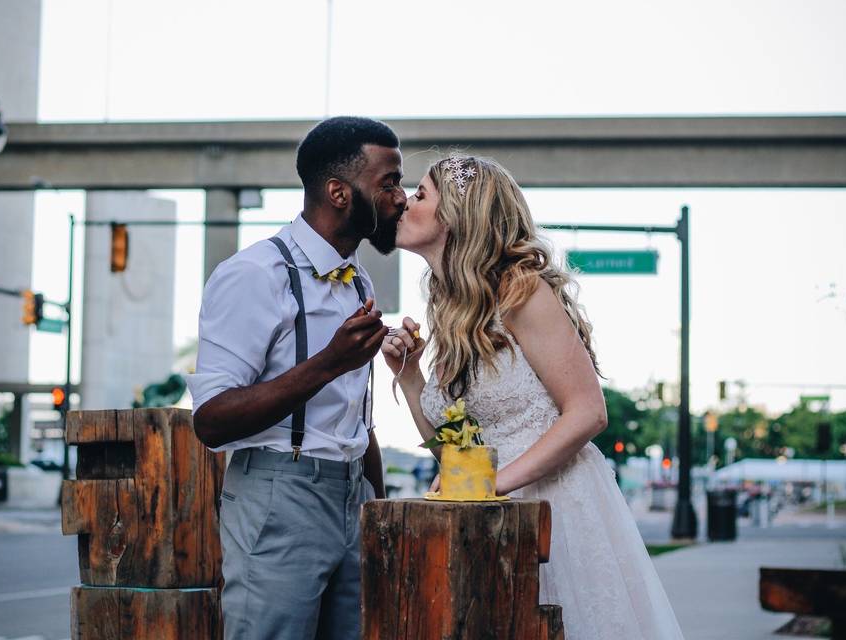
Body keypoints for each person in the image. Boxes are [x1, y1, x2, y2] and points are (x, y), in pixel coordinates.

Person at [383, 155, 685, 639]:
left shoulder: (521, 291)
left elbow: (587, 411)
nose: (404, 203)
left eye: (421, 195)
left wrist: (493, 485)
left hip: (555, 505)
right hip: (490, 516)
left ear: (459, 214)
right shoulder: (452, 309)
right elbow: (452, 452)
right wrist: (410, 375)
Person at [187, 116, 407, 640]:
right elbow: (211, 419)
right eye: (389, 183)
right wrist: (329, 362)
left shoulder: (359, 279)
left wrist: (377, 505)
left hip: (352, 500)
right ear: (338, 192)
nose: (401, 198)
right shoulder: (253, 275)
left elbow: (357, 417)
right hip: (279, 495)